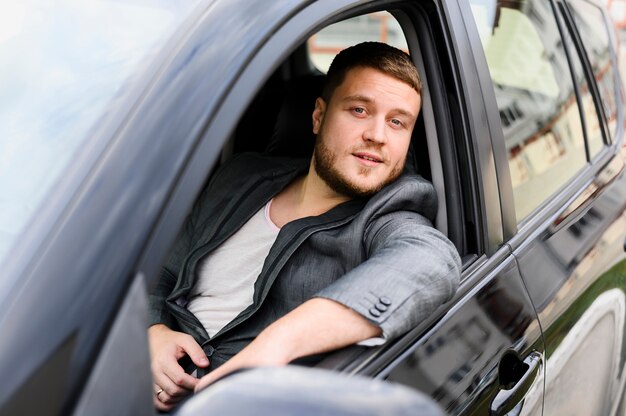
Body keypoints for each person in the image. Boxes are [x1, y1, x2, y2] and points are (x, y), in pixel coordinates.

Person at [148, 41, 461, 411]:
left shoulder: (389, 217)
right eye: (359, 110)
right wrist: (154, 333)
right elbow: (162, 273)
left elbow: (431, 261)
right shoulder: (241, 175)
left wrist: (274, 346)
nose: (377, 135)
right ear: (318, 117)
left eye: (397, 122)